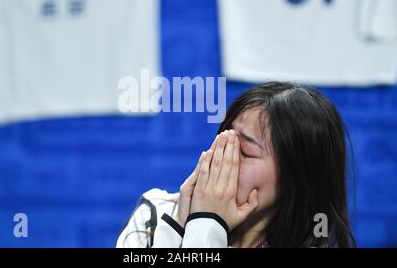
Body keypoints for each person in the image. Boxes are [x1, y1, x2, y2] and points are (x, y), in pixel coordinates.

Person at [116, 81, 356, 248]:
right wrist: (180, 225)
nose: (219, 156)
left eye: (243, 151)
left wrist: (207, 223)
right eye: (223, 140)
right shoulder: (155, 214)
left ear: (294, 180)